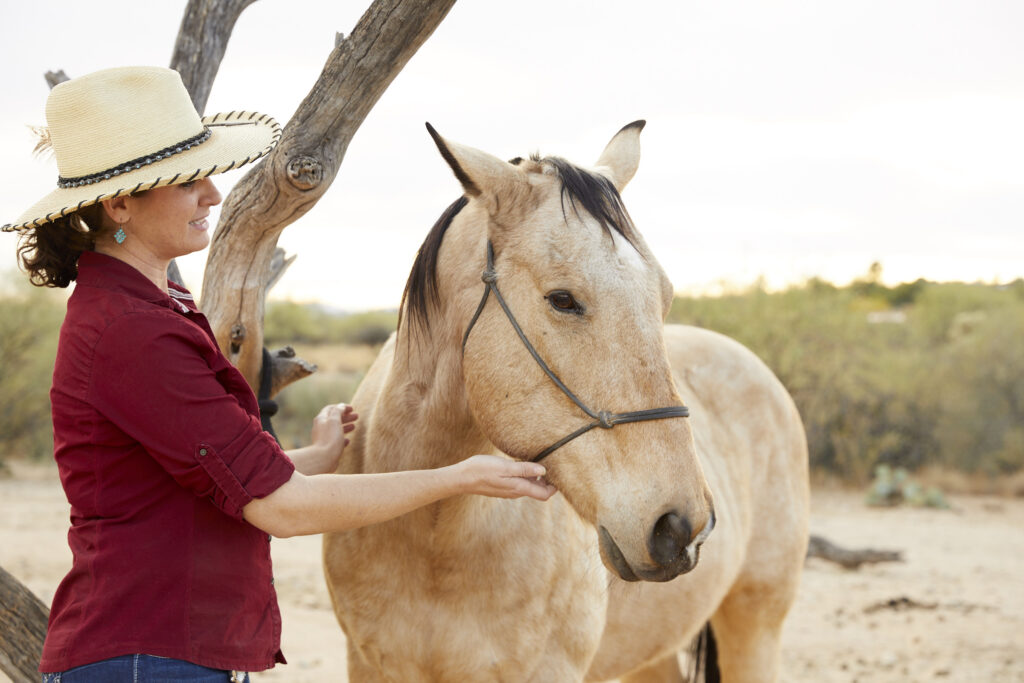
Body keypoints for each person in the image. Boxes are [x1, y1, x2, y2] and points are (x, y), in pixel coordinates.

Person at [3, 66, 557, 683]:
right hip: (148, 658)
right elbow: (281, 512)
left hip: (161, 653)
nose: (213, 194)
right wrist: (458, 478)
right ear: (119, 203)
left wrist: (315, 457)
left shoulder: (149, 312)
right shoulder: (132, 332)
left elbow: (205, 477)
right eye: (189, 182)